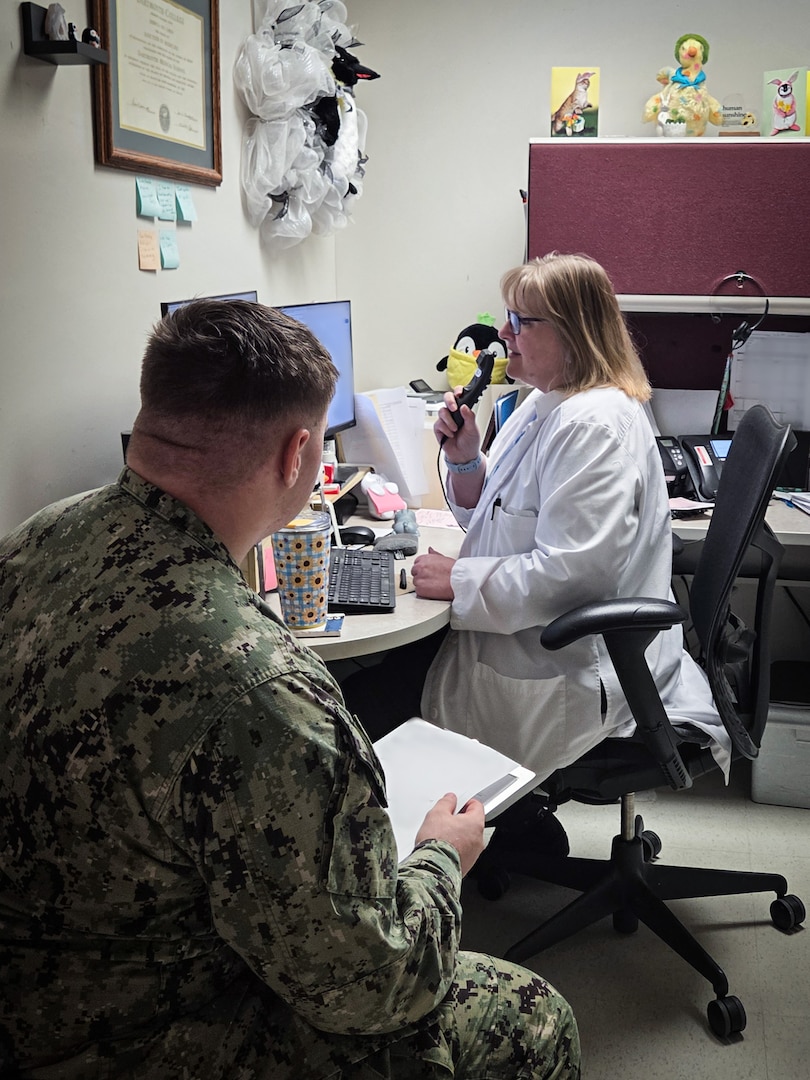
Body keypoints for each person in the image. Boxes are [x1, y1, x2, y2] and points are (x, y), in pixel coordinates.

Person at [0, 299, 580, 1079]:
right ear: (299, 454)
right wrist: (442, 859)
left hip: (35, 977)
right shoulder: (260, 690)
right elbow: (378, 986)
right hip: (133, 1034)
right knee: (532, 1019)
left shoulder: (36, 538)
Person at [343, 253, 729, 795]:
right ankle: (503, 828)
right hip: (524, 638)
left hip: (570, 669)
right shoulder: (545, 403)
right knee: (385, 674)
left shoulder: (595, 426)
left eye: (521, 321)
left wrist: (457, 581)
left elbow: (573, 578)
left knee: (353, 713)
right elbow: (504, 522)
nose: (504, 334)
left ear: (573, 333)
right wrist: (465, 460)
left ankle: (425, 846)